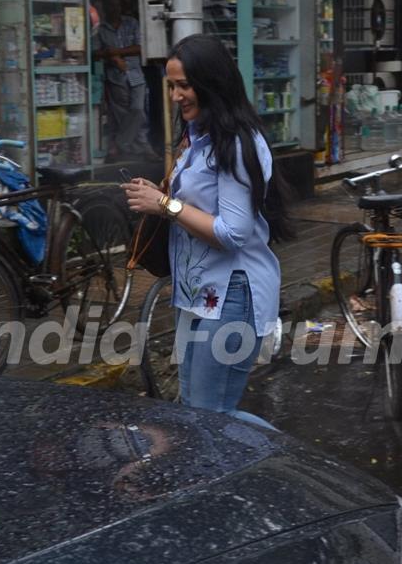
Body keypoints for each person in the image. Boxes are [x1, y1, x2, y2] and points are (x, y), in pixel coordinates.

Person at [123, 34, 294, 429]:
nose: (176, 96)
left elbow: (233, 232)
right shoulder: (199, 139)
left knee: (209, 419)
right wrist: (156, 196)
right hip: (201, 295)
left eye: (184, 85)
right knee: (197, 412)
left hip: (234, 294)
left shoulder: (234, 143)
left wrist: (164, 205)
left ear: (212, 82)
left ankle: (290, 467)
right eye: (171, 86)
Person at [94, 0, 156, 161]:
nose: (114, 9)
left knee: (138, 110)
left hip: (135, 73)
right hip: (115, 76)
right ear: (105, 9)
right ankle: (143, 148)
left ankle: (121, 143)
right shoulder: (101, 29)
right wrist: (111, 56)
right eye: (110, 7)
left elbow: (141, 47)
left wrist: (117, 52)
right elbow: (95, 53)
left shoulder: (132, 23)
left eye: (117, 6)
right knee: (121, 114)